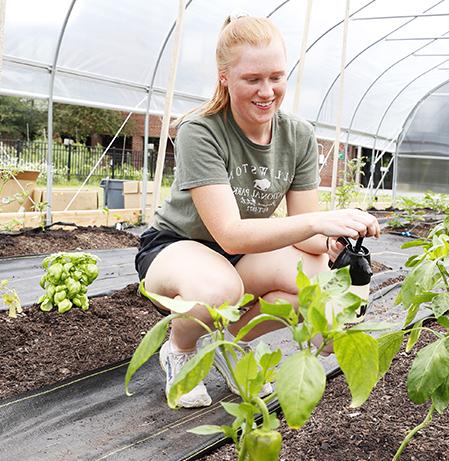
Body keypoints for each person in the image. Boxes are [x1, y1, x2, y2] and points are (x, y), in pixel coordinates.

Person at [134, 15, 380, 408]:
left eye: (276, 77)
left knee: (317, 283)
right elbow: (229, 233)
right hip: (179, 248)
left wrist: (334, 236)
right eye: (252, 79)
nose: (267, 91)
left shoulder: (297, 134)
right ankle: (179, 349)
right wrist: (316, 221)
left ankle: (236, 345)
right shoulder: (201, 130)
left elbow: (310, 235)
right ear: (225, 78)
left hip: (245, 252)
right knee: (220, 289)